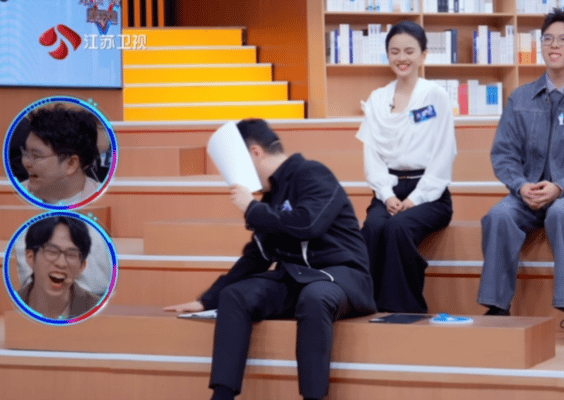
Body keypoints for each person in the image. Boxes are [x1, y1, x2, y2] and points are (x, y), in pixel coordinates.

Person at [165, 119, 376, 400]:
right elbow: (257, 255)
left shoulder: (313, 173)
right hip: (296, 278)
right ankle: (222, 395)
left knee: (315, 297)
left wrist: (252, 208)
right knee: (234, 295)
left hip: (341, 277)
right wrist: (207, 300)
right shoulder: (270, 197)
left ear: (256, 153)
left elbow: (307, 223)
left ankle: (314, 397)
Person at [477, 8, 564, 345]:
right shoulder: (521, 97)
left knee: (562, 214)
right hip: (526, 193)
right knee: (498, 216)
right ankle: (497, 308)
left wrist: (560, 187)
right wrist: (521, 186)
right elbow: (503, 154)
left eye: (563, 39)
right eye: (547, 39)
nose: (554, 45)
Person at [357, 20, 456, 313]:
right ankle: (366, 306)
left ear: (423, 55)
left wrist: (416, 198)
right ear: (387, 54)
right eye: (395, 51)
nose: (402, 58)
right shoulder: (377, 99)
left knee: (398, 228)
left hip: (430, 193)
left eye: (410, 51)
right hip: (388, 189)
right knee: (373, 227)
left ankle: (405, 310)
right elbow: (372, 154)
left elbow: (444, 152)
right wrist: (387, 195)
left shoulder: (435, 96)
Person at [17, 216, 101, 319]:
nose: (61, 263)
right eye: (52, 251)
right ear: (31, 257)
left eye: (71, 254)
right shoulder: (10, 304)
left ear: (82, 266)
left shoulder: (99, 311)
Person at [19, 103, 102, 205]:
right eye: (26, 153)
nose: (26, 162)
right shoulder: (13, 196)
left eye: (36, 156)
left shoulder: (107, 199)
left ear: (71, 164)